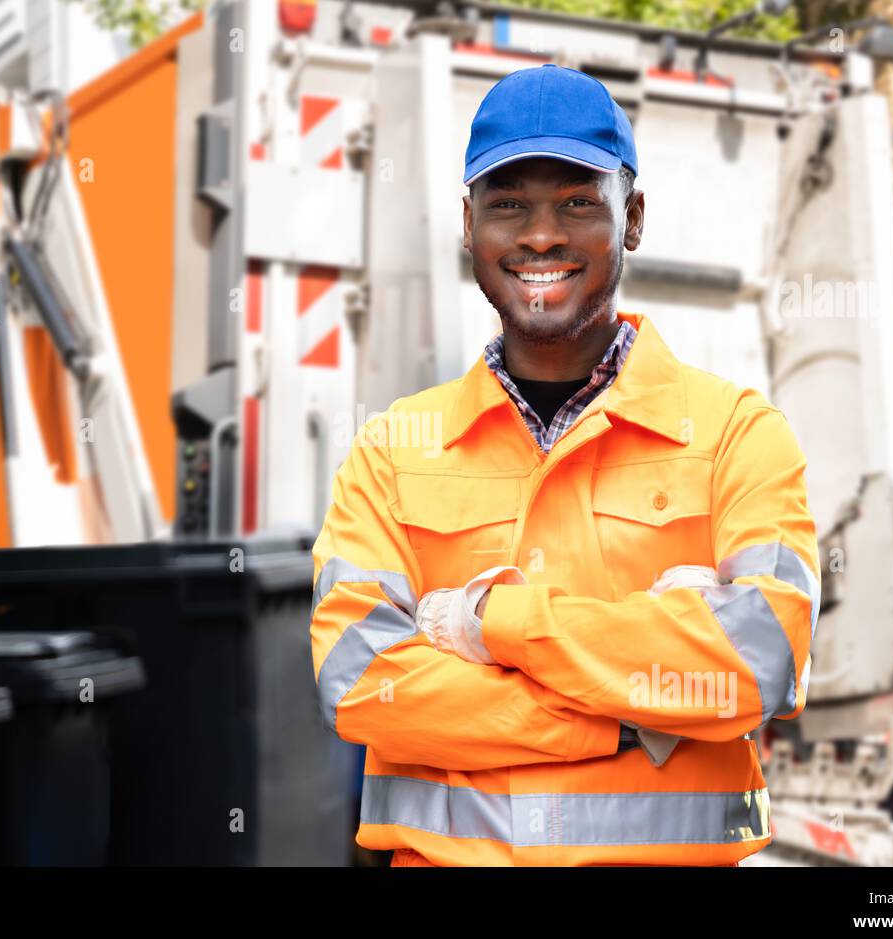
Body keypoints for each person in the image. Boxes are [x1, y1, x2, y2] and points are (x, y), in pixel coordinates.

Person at [310, 63, 819, 866]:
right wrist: (627, 715)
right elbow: (362, 683)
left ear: (634, 218)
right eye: (509, 203)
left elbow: (763, 661)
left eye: (578, 203)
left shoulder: (736, 434)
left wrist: (487, 625)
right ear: (469, 225)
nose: (541, 234)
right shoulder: (391, 450)